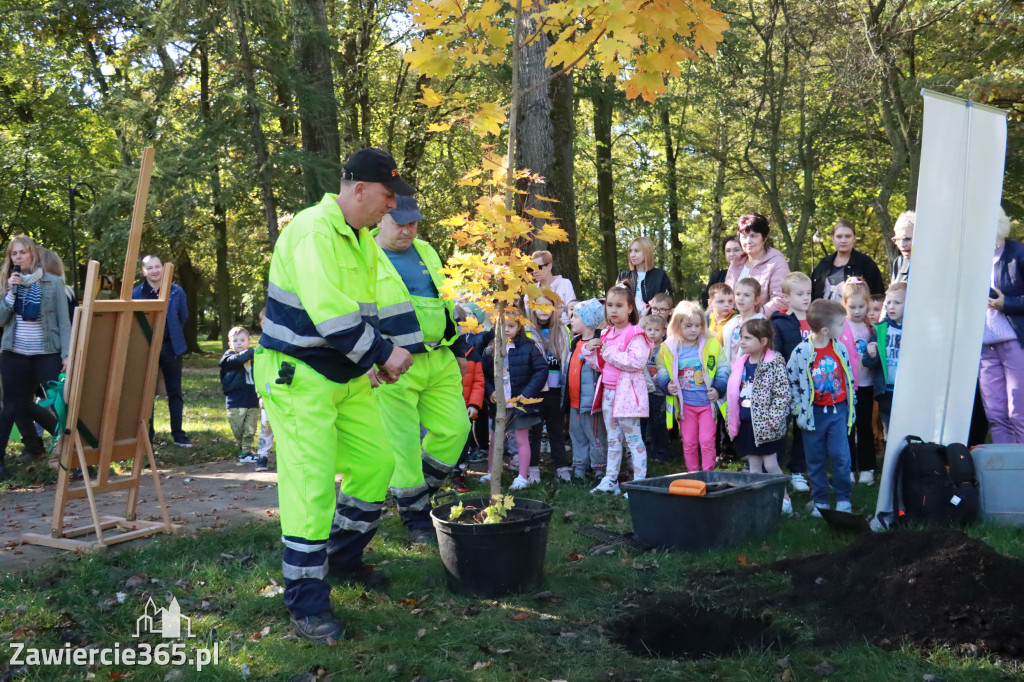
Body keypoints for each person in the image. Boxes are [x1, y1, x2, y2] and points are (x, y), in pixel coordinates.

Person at [254, 147, 415, 643]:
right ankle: (305, 604)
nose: (391, 208)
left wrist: (371, 362)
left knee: (376, 462)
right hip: (297, 376)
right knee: (312, 486)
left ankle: (340, 559)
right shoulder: (313, 230)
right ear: (359, 189)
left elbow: (361, 313)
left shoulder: (361, 238)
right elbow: (330, 314)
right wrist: (383, 355)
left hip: (345, 377)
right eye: (387, 196)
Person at [371, 194, 470, 543]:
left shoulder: (427, 250)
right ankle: (415, 519)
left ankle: (415, 492)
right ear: (381, 217)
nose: (408, 230)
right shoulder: (362, 254)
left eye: (413, 222)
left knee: (456, 429)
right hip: (393, 364)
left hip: (439, 358)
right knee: (403, 445)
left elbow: (446, 302)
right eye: (400, 222)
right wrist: (371, 356)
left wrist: (458, 347)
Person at [0, 236, 71, 480]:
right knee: (10, 407)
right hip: (14, 354)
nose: (18, 257)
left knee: (59, 404)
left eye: (23, 252)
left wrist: (67, 354)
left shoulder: (52, 283)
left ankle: (75, 459)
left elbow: (64, 320)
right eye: (14, 253)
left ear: (33, 254)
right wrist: (11, 293)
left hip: (46, 353)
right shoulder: (7, 284)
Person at [787, 299, 856, 517]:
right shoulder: (801, 352)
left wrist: (852, 400)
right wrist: (798, 409)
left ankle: (844, 498)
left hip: (838, 411)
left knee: (840, 456)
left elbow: (848, 376)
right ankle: (821, 501)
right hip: (813, 415)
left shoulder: (840, 348)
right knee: (815, 460)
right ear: (826, 330)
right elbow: (792, 381)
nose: (844, 328)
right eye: (841, 325)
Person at [583, 282, 654, 495]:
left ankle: (639, 483)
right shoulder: (606, 333)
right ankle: (611, 479)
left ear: (630, 308)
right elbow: (600, 365)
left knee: (633, 439)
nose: (613, 310)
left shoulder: (636, 333)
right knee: (613, 439)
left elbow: (636, 361)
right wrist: (590, 351)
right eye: (610, 305)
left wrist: (608, 353)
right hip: (609, 393)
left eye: (619, 306)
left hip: (628, 395)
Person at [726, 319, 792, 513]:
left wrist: (773, 421)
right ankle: (757, 502)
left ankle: (784, 498)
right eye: (741, 337)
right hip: (747, 424)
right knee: (754, 466)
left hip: (767, 426)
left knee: (770, 464)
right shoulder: (742, 363)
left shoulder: (774, 363)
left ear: (763, 341)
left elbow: (782, 394)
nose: (742, 342)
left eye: (747, 338)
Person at [657, 301, 728, 472]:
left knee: (707, 441)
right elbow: (661, 369)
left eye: (698, 325)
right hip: (685, 406)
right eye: (688, 325)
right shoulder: (669, 347)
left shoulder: (712, 343)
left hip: (706, 404)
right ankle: (693, 475)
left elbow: (724, 368)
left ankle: (708, 475)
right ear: (677, 324)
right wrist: (666, 385)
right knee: (688, 442)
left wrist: (718, 388)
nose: (694, 330)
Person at [480, 314, 548, 488]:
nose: (506, 330)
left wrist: (527, 393)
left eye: (511, 326)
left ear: (519, 327)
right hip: (499, 403)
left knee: (521, 438)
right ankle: (492, 472)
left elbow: (541, 370)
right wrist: (490, 391)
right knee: (495, 439)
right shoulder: (490, 351)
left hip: (519, 402)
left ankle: (522, 476)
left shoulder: (529, 347)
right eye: (502, 326)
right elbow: (484, 375)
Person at [132, 255, 191, 448]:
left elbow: (183, 317)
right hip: (146, 348)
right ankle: (147, 436)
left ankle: (178, 435)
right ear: (143, 271)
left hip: (171, 346)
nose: (155, 271)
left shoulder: (177, 292)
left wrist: (170, 335)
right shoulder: (136, 294)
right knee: (146, 393)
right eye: (150, 268)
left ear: (163, 269)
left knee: (175, 392)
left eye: (157, 267)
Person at [980, 208, 1024, 443]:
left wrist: (1007, 303)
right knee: (995, 414)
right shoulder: (971, 258)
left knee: (1019, 412)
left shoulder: (1018, 253)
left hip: (1016, 342)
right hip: (984, 347)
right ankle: (1004, 470)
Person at [770, 272, 814, 491]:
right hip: (786, 386)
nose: (805, 298)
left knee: (804, 430)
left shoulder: (817, 320)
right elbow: (775, 354)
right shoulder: (779, 323)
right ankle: (775, 471)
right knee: (780, 428)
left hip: (813, 386)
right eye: (799, 294)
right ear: (786, 297)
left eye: (808, 293)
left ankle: (798, 472)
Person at [525, 296, 571, 482]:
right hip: (535, 388)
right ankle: (533, 468)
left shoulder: (562, 329)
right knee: (534, 430)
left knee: (556, 429)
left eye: (548, 306)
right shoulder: (526, 330)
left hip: (555, 388)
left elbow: (567, 355)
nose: (543, 310)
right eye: (539, 305)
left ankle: (561, 467)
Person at [565, 298, 607, 480]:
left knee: (596, 435)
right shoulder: (574, 343)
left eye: (575, 316)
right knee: (577, 435)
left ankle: (599, 468)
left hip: (591, 404)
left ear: (589, 321)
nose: (571, 319)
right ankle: (580, 467)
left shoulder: (598, 343)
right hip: (574, 402)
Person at [842, 278, 877, 482]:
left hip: (866, 384)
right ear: (844, 304)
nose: (856, 311)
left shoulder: (871, 328)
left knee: (864, 426)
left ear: (868, 304)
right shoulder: (840, 326)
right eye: (851, 306)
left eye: (861, 306)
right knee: (847, 427)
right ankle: (847, 467)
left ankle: (867, 468)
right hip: (845, 386)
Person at [724, 213, 791, 316]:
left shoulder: (777, 262)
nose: (748, 241)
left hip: (763, 326)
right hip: (735, 322)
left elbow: (781, 300)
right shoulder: (736, 263)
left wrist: (755, 315)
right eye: (744, 236)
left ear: (764, 238)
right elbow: (726, 296)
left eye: (753, 236)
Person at [450, 306, 485, 492]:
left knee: (463, 443)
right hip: (444, 407)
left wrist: (474, 404)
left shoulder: (473, 354)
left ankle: (458, 476)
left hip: (464, 408)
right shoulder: (440, 353)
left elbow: (479, 382)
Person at [864, 281, 906, 430]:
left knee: (904, 427)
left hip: (906, 388)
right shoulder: (881, 329)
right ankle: (887, 451)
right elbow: (868, 362)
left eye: (897, 302)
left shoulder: (913, 329)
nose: (891, 306)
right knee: (887, 426)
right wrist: (872, 354)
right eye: (888, 303)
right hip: (885, 389)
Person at [810, 220, 885, 301]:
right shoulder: (823, 264)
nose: (843, 240)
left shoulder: (865, 263)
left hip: (855, 313)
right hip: (822, 312)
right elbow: (811, 293)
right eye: (839, 236)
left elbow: (878, 296)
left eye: (848, 236)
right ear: (833, 238)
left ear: (854, 238)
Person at [219, 326, 261, 468]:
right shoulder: (228, 358)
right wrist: (252, 351)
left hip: (251, 399)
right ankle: (243, 449)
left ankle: (246, 453)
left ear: (248, 341)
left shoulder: (253, 359)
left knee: (250, 428)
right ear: (230, 344)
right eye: (235, 341)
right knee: (238, 429)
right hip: (235, 400)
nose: (239, 343)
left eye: (242, 340)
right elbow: (238, 359)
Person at [639, 314, 669, 462]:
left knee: (659, 423)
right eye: (649, 329)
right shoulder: (642, 348)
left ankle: (662, 452)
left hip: (659, 393)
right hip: (644, 391)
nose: (652, 333)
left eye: (656, 330)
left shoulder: (664, 349)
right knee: (645, 422)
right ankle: (646, 451)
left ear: (663, 332)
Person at [617, 237, 672, 314]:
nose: (632, 255)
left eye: (636, 251)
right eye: (630, 251)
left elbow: (668, 302)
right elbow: (615, 300)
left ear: (646, 252)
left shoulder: (660, 276)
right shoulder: (624, 276)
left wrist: (654, 305)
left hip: (652, 321)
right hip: (627, 320)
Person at [720, 277, 766, 367]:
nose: (741, 298)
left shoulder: (761, 323)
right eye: (738, 294)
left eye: (746, 295)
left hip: (750, 373)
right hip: (730, 373)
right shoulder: (730, 324)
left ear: (756, 300)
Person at [528, 250, 576, 324]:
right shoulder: (531, 290)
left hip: (564, 329)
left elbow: (572, 311)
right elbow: (529, 315)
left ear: (549, 266)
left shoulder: (564, 284)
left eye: (538, 267)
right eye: (532, 269)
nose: (535, 271)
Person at [701, 234, 742, 308]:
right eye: (728, 251)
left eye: (736, 250)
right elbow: (705, 298)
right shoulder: (718, 277)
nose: (732, 254)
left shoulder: (751, 273)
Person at [890, 210, 914, 284]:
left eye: (907, 239)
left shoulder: (933, 264)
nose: (902, 245)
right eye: (897, 239)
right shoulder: (899, 262)